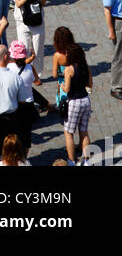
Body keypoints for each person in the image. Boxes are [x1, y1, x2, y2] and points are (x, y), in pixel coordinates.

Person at [51, 27, 92, 164]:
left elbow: (67, 88)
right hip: (86, 99)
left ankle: (71, 160)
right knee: (84, 132)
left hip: (74, 101)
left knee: (68, 132)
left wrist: (62, 86)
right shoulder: (85, 66)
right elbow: (90, 84)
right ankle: (86, 160)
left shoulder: (69, 69)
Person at [103, 0, 122, 99]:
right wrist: (111, 31)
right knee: (118, 56)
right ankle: (116, 87)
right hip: (118, 23)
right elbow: (107, 10)